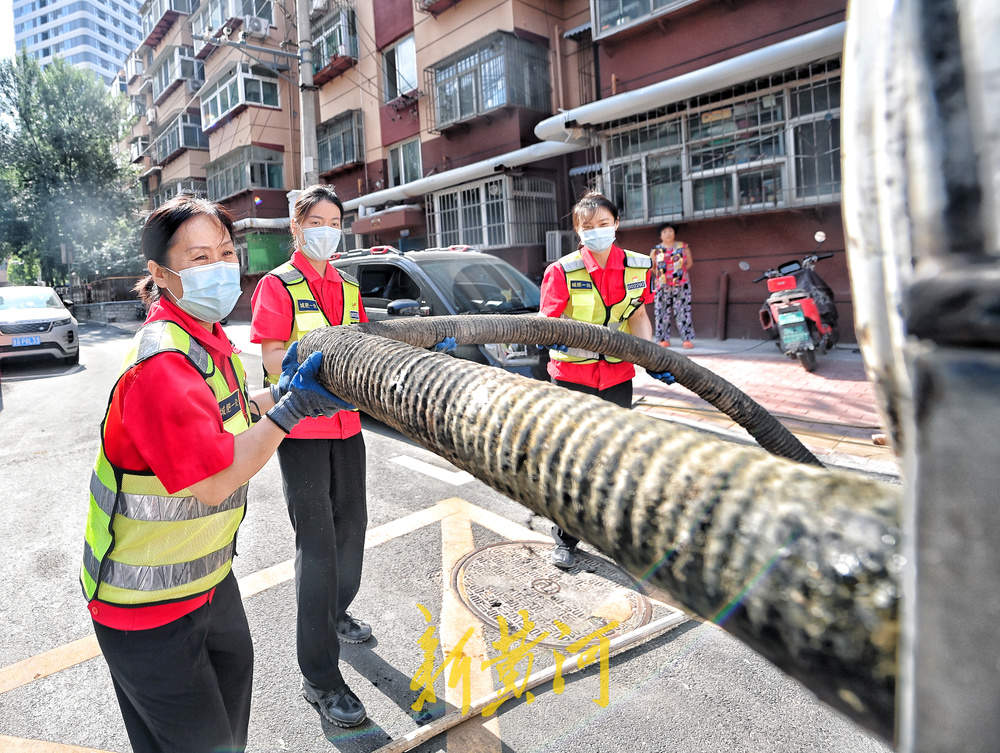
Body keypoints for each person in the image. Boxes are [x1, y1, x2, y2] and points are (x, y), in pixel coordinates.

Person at [81, 196, 349, 753]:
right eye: (199, 258)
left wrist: (277, 394)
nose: (221, 268)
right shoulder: (162, 361)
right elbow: (214, 479)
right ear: (161, 274)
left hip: (206, 584)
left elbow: (226, 418)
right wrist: (292, 411)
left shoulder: (206, 339)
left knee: (226, 730)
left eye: (226, 252)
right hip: (145, 609)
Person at [250, 184, 371, 728]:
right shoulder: (278, 285)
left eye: (334, 221)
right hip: (300, 429)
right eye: (316, 221)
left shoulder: (346, 284)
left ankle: (336, 613)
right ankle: (319, 677)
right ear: (297, 228)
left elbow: (360, 345)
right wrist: (306, 380)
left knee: (353, 529)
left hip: (347, 424)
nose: (327, 229)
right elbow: (274, 355)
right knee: (317, 546)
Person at [539, 191, 657, 569]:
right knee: (573, 460)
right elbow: (547, 324)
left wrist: (652, 355)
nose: (596, 232)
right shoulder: (563, 270)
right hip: (573, 377)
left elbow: (637, 314)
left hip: (618, 376)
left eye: (603, 224)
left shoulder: (638, 266)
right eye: (587, 227)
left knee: (614, 457)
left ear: (617, 224)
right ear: (578, 231)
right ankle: (566, 538)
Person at [650, 222, 695, 348]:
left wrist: (678, 274)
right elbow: (652, 267)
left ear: (674, 233)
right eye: (664, 232)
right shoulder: (656, 249)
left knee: (683, 310)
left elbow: (689, 263)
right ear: (660, 236)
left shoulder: (683, 246)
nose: (668, 234)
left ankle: (687, 339)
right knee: (661, 311)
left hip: (681, 284)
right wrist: (661, 276)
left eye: (670, 231)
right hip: (662, 285)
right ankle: (663, 339)